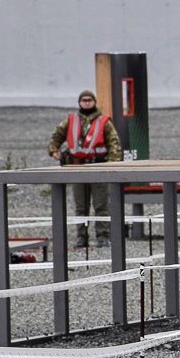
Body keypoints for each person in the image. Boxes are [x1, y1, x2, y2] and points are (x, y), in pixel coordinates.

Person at [47, 90, 122, 248]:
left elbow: (114, 144)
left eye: (89, 100)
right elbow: (56, 136)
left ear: (94, 102)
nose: (87, 103)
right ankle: (82, 237)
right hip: (77, 168)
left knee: (101, 205)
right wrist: (54, 150)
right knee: (81, 206)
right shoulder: (71, 121)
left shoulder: (104, 122)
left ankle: (103, 236)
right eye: (84, 100)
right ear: (79, 102)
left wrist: (113, 165)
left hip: (98, 168)